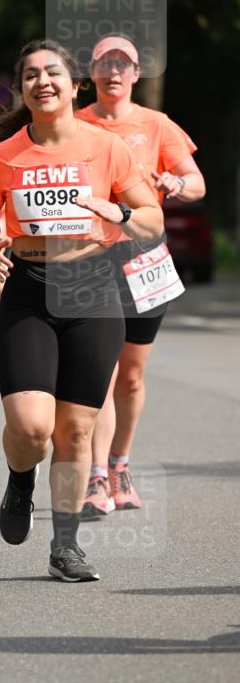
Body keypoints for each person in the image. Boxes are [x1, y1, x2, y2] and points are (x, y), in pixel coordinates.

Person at [0, 39, 163, 582]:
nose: (41, 82)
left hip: (94, 288)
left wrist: (114, 209)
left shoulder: (108, 148)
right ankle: (20, 479)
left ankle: (65, 547)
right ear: (22, 90)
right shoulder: (5, 156)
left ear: (77, 87)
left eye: (53, 74)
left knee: (75, 431)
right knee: (31, 429)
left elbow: (152, 221)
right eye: (30, 75)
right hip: (29, 288)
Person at [76, 35, 206, 516]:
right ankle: (94, 477)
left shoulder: (156, 125)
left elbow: (196, 182)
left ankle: (119, 465)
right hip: (89, 258)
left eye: (123, 64)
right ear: (92, 73)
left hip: (144, 259)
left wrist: (175, 181)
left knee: (131, 376)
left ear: (136, 74)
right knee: (102, 373)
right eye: (105, 64)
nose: (114, 72)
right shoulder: (75, 123)